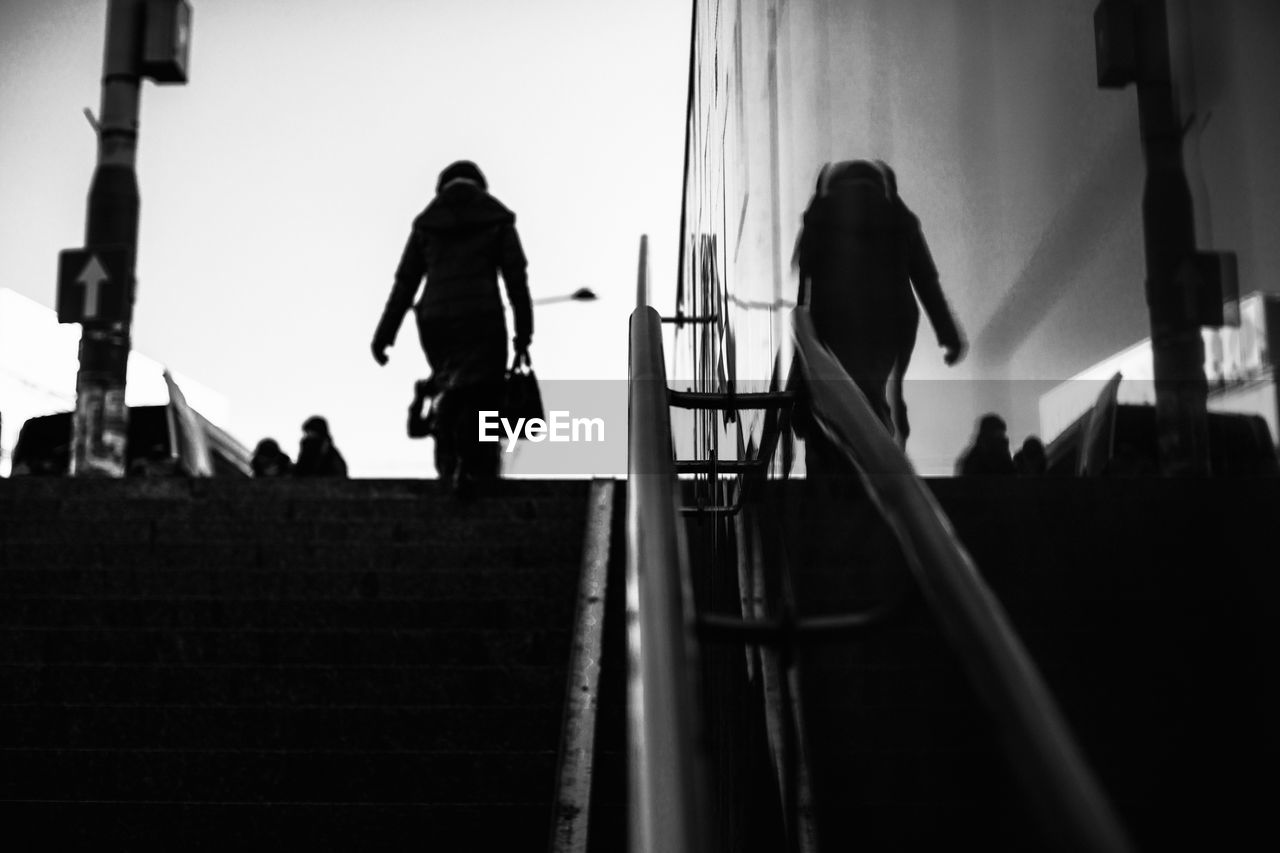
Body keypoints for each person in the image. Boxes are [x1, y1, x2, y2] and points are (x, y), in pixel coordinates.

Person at [371, 160, 533, 493]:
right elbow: (516, 279)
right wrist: (523, 331)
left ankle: (449, 464)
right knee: (484, 394)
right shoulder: (496, 218)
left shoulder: (427, 225)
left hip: (436, 322)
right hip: (482, 317)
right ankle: (476, 469)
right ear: (480, 185)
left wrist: (384, 335)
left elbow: (405, 284)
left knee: (450, 387)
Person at [795, 160, 965, 446]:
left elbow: (805, 284)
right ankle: (882, 434)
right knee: (873, 388)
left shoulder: (821, 214)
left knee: (841, 389)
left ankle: (840, 443)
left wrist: (805, 338)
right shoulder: (897, 215)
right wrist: (948, 334)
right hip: (890, 321)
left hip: (836, 319)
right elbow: (926, 280)